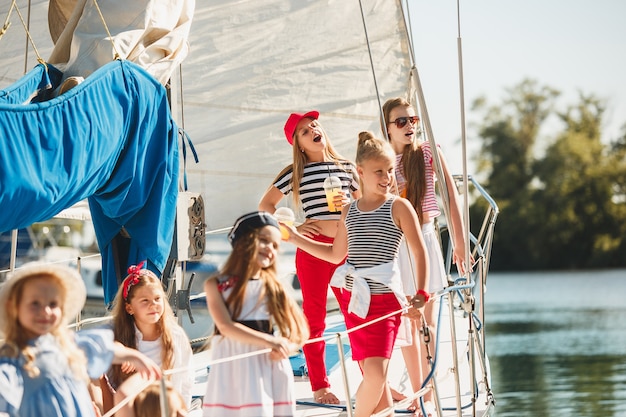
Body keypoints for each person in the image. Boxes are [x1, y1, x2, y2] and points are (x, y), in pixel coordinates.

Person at [285, 131, 430, 417]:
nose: (386, 177)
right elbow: (335, 256)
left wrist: (422, 293)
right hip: (356, 305)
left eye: (390, 170)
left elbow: (419, 251)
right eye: (379, 171)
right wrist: (294, 238)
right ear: (360, 172)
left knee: (375, 375)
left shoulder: (399, 206)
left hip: (387, 303)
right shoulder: (349, 212)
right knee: (382, 402)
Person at [258, 110, 361, 404]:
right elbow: (265, 206)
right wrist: (293, 227)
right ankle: (320, 386)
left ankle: (371, 378)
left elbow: (363, 207)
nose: (313, 129)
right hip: (313, 250)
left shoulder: (347, 168)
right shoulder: (295, 172)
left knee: (355, 313)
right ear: (299, 144)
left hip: (344, 249)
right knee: (314, 319)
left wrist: (350, 205)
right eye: (304, 130)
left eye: (314, 124)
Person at [382, 97, 473, 415]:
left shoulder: (429, 152)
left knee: (428, 322)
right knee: (408, 322)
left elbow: (450, 194)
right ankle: (419, 391)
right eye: (401, 121)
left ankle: (429, 395)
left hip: (426, 238)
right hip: (397, 246)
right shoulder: (382, 161)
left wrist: (460, 243)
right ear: (388, 127)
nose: (409, 126)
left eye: (412, 120)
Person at [0, 263, 161, 417]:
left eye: (53, 303)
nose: (46, 311)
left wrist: (132, 356)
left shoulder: (65, 344)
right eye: (35, 303)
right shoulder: (13, 358)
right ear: (14, 307)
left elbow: (97, 346)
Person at [202, 211, 309, 417]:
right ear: (243, 242)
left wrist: (286, 345)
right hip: (231, 367)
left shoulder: (274, 286)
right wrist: (270, 342)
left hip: (266, 364)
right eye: (264, 240)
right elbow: (225, 327)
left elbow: (298, 330)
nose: (271, 248)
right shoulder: (216, 285)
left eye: (276, 245)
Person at [106, 262, 194, 417]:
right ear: (129, 308)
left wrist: (181, 409)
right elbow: (93, 346)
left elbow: (186, 380)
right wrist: (123, 353)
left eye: (157, 298)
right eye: (145, 301)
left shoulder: (176, 335)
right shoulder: (115, 333)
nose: (153, 305)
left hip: (163, 409)